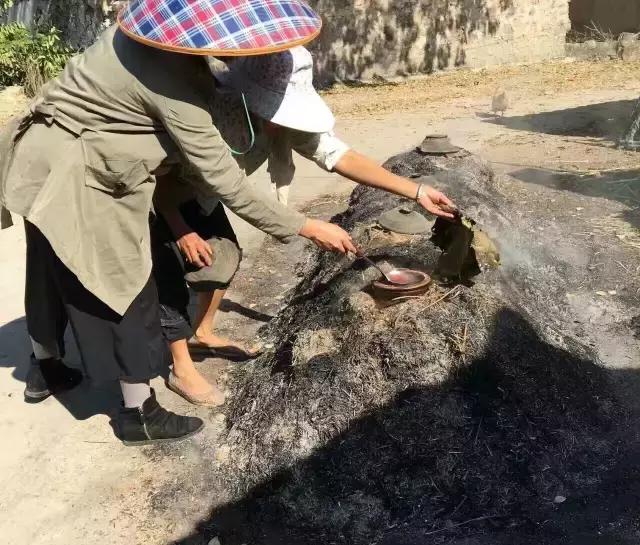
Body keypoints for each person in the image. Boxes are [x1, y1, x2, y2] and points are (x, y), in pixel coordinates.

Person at [0, 0, 361, 446]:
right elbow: (225, 181)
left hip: (37, 157)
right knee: (127, 285)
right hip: (81, 174)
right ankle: (139, 413)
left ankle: (45, 367)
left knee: (49, 269)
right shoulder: (176, 85)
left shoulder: (134, 36)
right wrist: (305, 226)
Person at [153, 46, 456, 406]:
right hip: (162, 195)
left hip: (206, 193)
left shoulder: (285, 123)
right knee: (169, 277)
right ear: (252, 98)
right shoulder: (211, 113)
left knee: (224, 257)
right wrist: (182, 230)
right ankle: (180, 367)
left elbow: (339, 155)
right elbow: (162, 178)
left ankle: (202, 332)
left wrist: (416, 190)